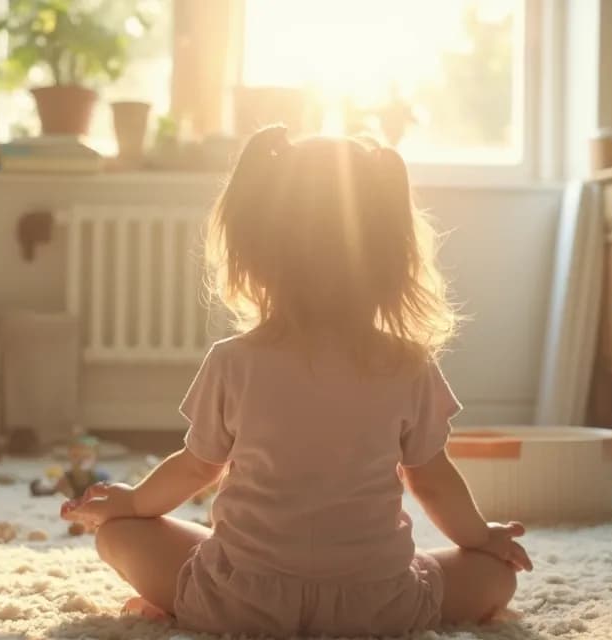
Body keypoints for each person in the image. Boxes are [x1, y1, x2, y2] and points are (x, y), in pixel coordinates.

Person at [61, 126, 531, 637]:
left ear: (252, 255)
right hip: (377, 606)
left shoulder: (232, 361)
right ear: (393, 260)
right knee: (494, 576)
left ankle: (176, 598)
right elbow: (433, 481)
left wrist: (129, 504)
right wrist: (483, 537)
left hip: (239, 600)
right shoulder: (409, 365)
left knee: (119, 535)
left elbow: (198, 467)